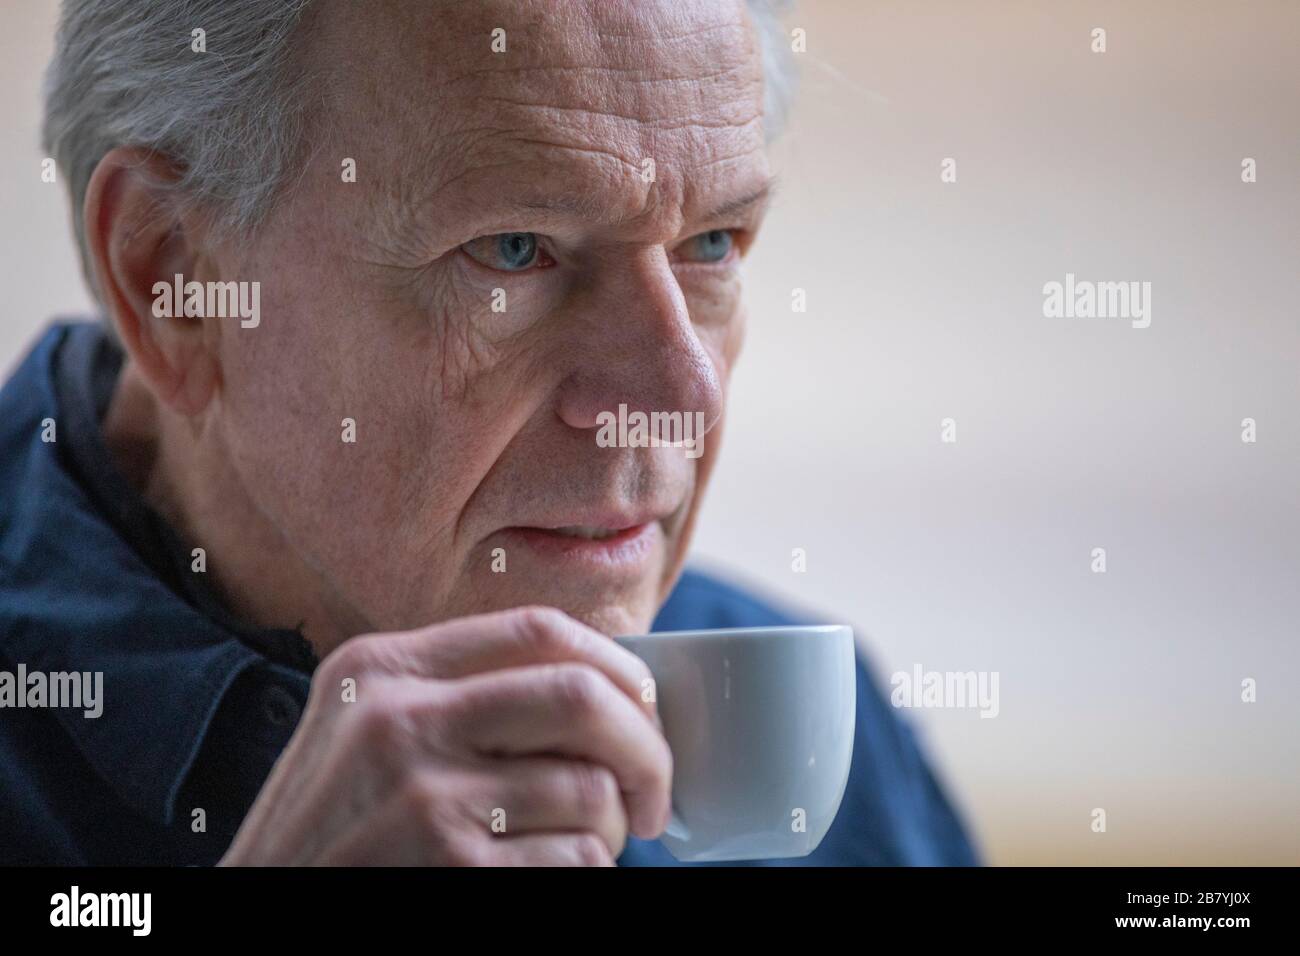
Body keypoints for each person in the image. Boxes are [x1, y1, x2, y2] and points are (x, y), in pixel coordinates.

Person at [0, 0, 979, 866]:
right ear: (175, 282)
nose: (684, 393)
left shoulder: (818, 747)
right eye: (513, 250)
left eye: (712, 243)